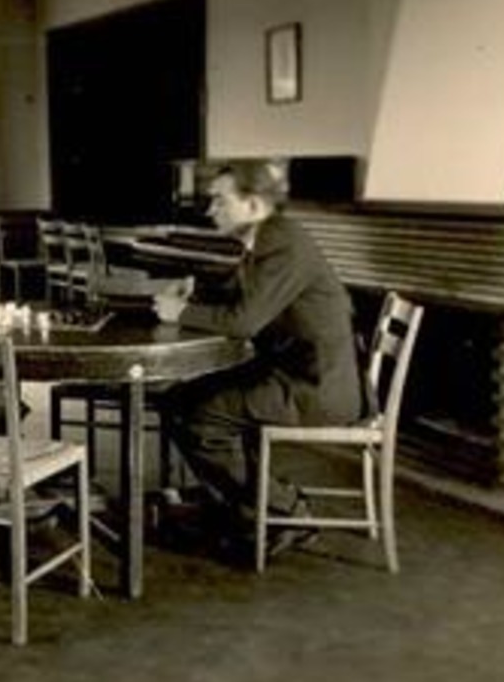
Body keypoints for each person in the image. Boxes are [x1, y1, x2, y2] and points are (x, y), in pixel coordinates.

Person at [154, 159, 363, 558]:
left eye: (219, 200)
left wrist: (179, 312)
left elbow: (245, 320)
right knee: (178, 399)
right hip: (296, 373)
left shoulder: (283, 242)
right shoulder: (271, 238)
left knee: (203, 415)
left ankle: (285, 510)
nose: (209, 209)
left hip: (314, 388)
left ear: (251, 205)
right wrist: (194, 289)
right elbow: (242, 293)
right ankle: (246, 508)